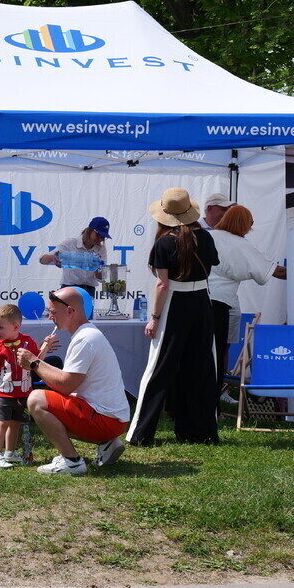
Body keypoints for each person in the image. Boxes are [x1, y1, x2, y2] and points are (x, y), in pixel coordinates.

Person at [127, 188, 221, 446]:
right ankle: (201, 432)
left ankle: (141, 433)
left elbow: (162, 285)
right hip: (202, 303)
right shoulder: (206, 238)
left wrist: (154, 317)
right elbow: (211, 266)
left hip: (175, 305)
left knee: (158, 369)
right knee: (201, 367)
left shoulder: (165, 242)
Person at [16, 286, 131, 475]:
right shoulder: (87, 334)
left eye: (53, 312)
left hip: (106, 420)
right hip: (112, 418)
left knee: (36, 399)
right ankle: (107, 444)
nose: (49, 317)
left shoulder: (85, 339)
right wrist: (36, 362)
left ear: (69, 311)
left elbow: (66, 385)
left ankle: (72, 461)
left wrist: (35, 363)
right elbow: (67, 380)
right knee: (50, 402)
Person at [208, 204, 287, 388]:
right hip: (222, 303)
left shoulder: (208, 237)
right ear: (244, 225)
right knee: (220, 350)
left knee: (199, 350)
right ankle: (214, 394)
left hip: (198, 298)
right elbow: (277, 272)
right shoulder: (242, 246)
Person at [0, 303, 41, 468]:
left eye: (0, 327)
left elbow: (37, 362)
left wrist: (46, 347)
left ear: (16, 326)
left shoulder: (28, 342)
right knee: (2, 422)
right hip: (3, 393)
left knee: (16, 422)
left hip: (23, 392)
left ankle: (10, 452)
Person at [39, 217, 111, 296]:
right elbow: (42, 260)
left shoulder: (101, 250)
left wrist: (97, 268)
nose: (100, 239)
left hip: (89, 290)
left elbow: (102, 278)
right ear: (90, 230)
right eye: (98, 235)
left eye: (103, 237)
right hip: (69, 288)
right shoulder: (70, 243)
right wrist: (53, 258)